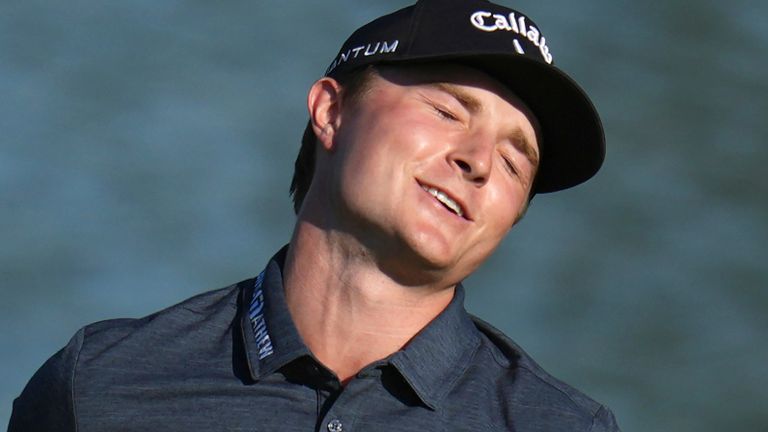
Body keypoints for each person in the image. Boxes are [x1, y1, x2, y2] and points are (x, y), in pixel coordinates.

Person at [9, 0, 621, 431]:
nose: (479, 162)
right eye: (447, 112)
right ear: (331, 112)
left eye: (515, 162)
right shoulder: (101, 385)